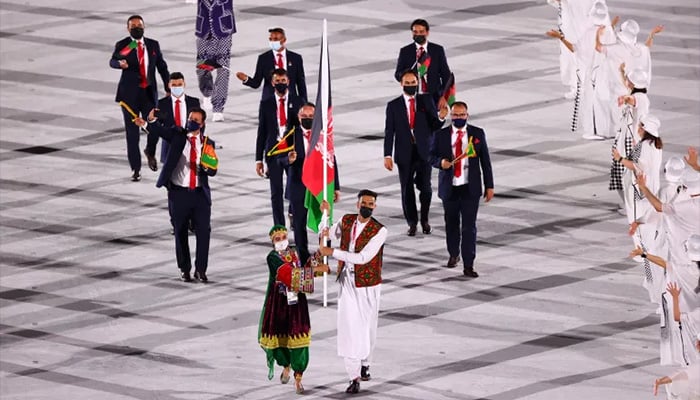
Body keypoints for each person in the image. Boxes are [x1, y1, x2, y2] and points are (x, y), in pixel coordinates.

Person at [134, 107, 216, 283]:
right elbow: (158, 130)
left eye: (195, 119)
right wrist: (150, 120)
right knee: (180, 232)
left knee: (204, 233)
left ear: (202, 124)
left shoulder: (208, 143)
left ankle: (201, 270)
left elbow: (213, 170)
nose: (191, 121)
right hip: (179, 193)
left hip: (200, 195)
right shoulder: (177, 135)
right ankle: (185, 269)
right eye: (190, 117)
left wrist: (208, 168)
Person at [318, 190, 388, 394]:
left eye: (371, 203)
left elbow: (364, 257)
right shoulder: (346, 221)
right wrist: (326, 215)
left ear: (374, 206)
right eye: (364, 202)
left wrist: (334, 253)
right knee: (349, 327)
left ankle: (366, 363)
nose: (367, 206)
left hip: (368, 285)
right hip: (347, 281)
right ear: (358, 204)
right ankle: (353, 376)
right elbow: (327, 235)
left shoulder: (379, 230)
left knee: (367, 327)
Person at [259, 225, 330, 395]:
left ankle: (298, 378)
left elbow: (307, 263)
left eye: (284, 236)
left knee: (300, 341)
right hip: (279, 305)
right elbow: (288, 275)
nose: (282, 240)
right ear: (272, 241)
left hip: (297, 304)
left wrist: (321, 245)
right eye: (278, 238)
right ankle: (285, 365)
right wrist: (315, 271)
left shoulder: (295, 252)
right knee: (279, 342)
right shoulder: (272, 258)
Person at [429, 101, 494, 277]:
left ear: (467, 115)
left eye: (462, 115)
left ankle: (469, 264)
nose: (458, 118)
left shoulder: (477, 134)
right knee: (451, 224)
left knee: (469, 227)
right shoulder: (441, 135)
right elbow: (430, 155)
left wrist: (489, 185)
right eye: (455, 115)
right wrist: (440, 162)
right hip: (450, 188)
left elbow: (485, 162)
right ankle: (453, 253)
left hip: (470, 188)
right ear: (451, 117)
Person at [384, 70, 447, 236]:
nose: (411, 85)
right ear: (401, 83)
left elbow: (434, 125)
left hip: (425, 151)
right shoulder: (393, 105)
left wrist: (441, 118)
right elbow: (389, 131)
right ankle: (412, 223)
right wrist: (387, 155)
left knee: (426, 188)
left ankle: (425, 219)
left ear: (417, 83)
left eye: (413, 83)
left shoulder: (425, 100)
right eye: (408, 83)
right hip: (404, 153)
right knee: (406, 190)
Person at [110, 14, 170, 181]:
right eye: (133, 26)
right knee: (132, 134)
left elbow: (162, 67)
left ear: (144, 27)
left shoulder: (152, 45)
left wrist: (168, 85)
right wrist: (119, 64)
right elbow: (113, 60)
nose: (137, 28)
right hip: (129, 96)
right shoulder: (125, 45)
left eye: (139, 25)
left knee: (154, 126)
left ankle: (150, 151)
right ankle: (135, 169)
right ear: (128, 28)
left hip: (148, 93)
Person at [546, 1, 616, 140]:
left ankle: (595, 131)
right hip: (604, 72)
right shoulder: (608, 32)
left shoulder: (590, 33)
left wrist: (560, 37)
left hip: (591, 70)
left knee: (593, 100)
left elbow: (575, 49)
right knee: (603, 99)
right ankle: (608, 129)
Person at [287, 102, 341, 265]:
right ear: (298, 117)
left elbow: (332, 159)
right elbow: (277, 159)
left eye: (311, 116)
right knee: (299, 224)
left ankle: (323, 255)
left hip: (320, 186)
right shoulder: (290, 135)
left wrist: (336, 186)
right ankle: (304, 259)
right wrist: (288, 160)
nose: (308, 119)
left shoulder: (323, 136)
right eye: (304, 117)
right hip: (299, 186)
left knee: (323, 220)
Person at [255, 68, 303, 226]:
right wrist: (258, 160)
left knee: (294, 188)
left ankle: (294, 217)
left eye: (283, 81)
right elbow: (261, 131)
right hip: (273, 152)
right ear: (272, 82)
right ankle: (279, 228)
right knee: (276, 193)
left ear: (288, 81)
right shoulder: (266, 103)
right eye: (278, 81)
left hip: (292, 152)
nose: (281, 84)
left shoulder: (297, 101)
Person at [609, 68, 649, 215]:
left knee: (626, 176)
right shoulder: (637, 92)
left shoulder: (641, 99)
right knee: (620, 174)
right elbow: (628, 89)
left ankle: (632, 206)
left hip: (630, 142)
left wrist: (624, 99)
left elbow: (632, 100)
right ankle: (629, 203)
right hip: (624, 140)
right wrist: (621, 73)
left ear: (633, 84)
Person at [144, 72, 201, 170]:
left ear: (184, 84)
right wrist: (148, 121)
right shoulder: (162, 104)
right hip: (170, 144)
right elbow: (155, 128)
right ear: (169, 85)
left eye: (180, 84)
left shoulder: (194, 102)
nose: (177, 87)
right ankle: (149, 151)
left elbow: (199, 124)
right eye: (174, 85)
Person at [236, 27, 307, 102]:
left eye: (276, 39)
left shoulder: (296, 58)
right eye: (270, 39)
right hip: (269, 101)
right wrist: (246, 79)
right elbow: (256, 83)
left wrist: (304, 104)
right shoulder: (263, 58)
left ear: (284, 40)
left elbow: (301, 84)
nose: (272, 41)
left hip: (290, 101)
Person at [394, 19, 452, 110]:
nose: (418, 34)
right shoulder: (405, 51)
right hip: (413, 96)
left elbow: (446, 75)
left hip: (434, 97)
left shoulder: (437, 50)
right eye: (415, 32)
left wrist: (444, 96)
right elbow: (398, 75)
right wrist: (409, 73)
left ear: (427, 32)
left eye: (421, 32)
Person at [195, 0, 236, 122]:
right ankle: (207, 91)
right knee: (202, 68)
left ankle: (218, 108)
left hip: (223, 31)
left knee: (223, 70)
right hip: (204, 32)